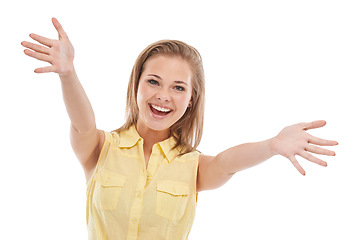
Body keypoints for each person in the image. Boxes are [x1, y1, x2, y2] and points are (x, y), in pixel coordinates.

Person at [21, 18, 338, 240]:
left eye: (178, 88)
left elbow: (227, 162)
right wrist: (67, 74)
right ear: (138, 86)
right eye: (154, 82)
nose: (163, 96)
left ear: (190, 100)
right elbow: (82, 122)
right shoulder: (100, 148)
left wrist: (272, 144)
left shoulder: (193, 166)